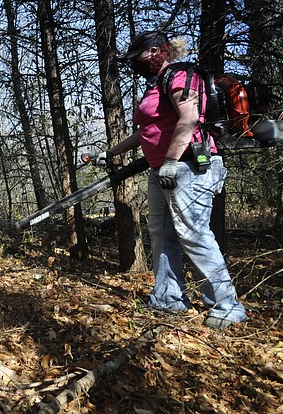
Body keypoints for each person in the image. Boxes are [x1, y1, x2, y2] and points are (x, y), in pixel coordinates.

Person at [101, 30, 247, 329]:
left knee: (193, 233)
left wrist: (170, 161)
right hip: (163, 170)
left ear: (157, 52)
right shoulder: (156, 85)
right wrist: (111, 153)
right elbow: (147, 131)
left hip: (187, 167)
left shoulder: (179, 76)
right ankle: (168, 297)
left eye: (138, 58)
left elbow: (189, 117)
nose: (135, 64)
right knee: (162, 234)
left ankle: (226, 306)